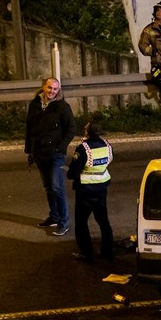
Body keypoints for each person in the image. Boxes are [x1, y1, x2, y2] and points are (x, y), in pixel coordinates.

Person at [25, 77, 76, 236]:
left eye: (55, 89)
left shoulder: (62, 107)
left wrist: (60, 148)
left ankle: (63, 222)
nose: (52, 91)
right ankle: (53, 217)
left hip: (55, 154)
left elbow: (71, 129)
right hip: (40, 153)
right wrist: (29, 151)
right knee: (48, 187)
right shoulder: (35, 105)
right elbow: (29, 128)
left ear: (58, 90)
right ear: (43, 88)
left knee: (57, 187)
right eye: (49, 88)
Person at [67, 121, 114, 262]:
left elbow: (73, 172)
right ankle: (107, 250)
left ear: (88, 132)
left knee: (81, 223)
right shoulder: (107, 145)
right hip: (101, 189)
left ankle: (86, 253)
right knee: (103, 221)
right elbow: (108, 161)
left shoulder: (83, 148)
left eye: (85, 129)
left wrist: (72, 173)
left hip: (85, 190)